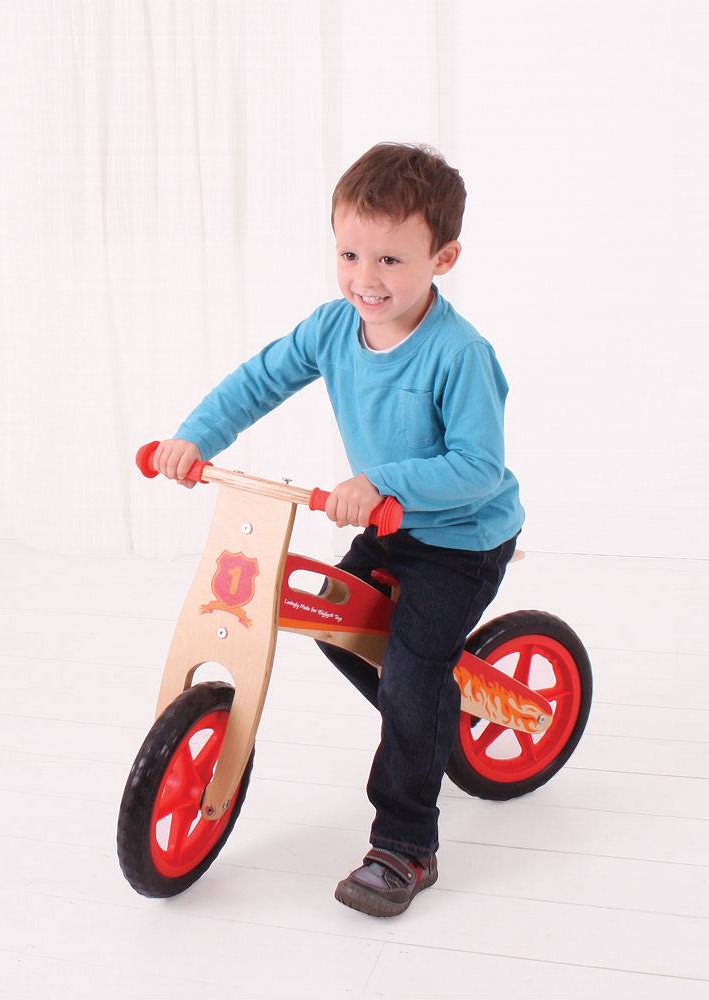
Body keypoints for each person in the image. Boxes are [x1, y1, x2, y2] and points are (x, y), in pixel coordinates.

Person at [153, 142, 524, 917]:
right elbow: (260, 379)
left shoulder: (459, 354)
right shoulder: (333, 327)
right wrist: (195, 437)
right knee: (337, 622)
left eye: (390, 259)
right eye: (350, 253)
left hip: (459, 541)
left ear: (443, 258)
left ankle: (404, 845)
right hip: (391, 527)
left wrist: (382, 482)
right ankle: (424, 721)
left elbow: (479, 466)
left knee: (415, 679)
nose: (366, 278)